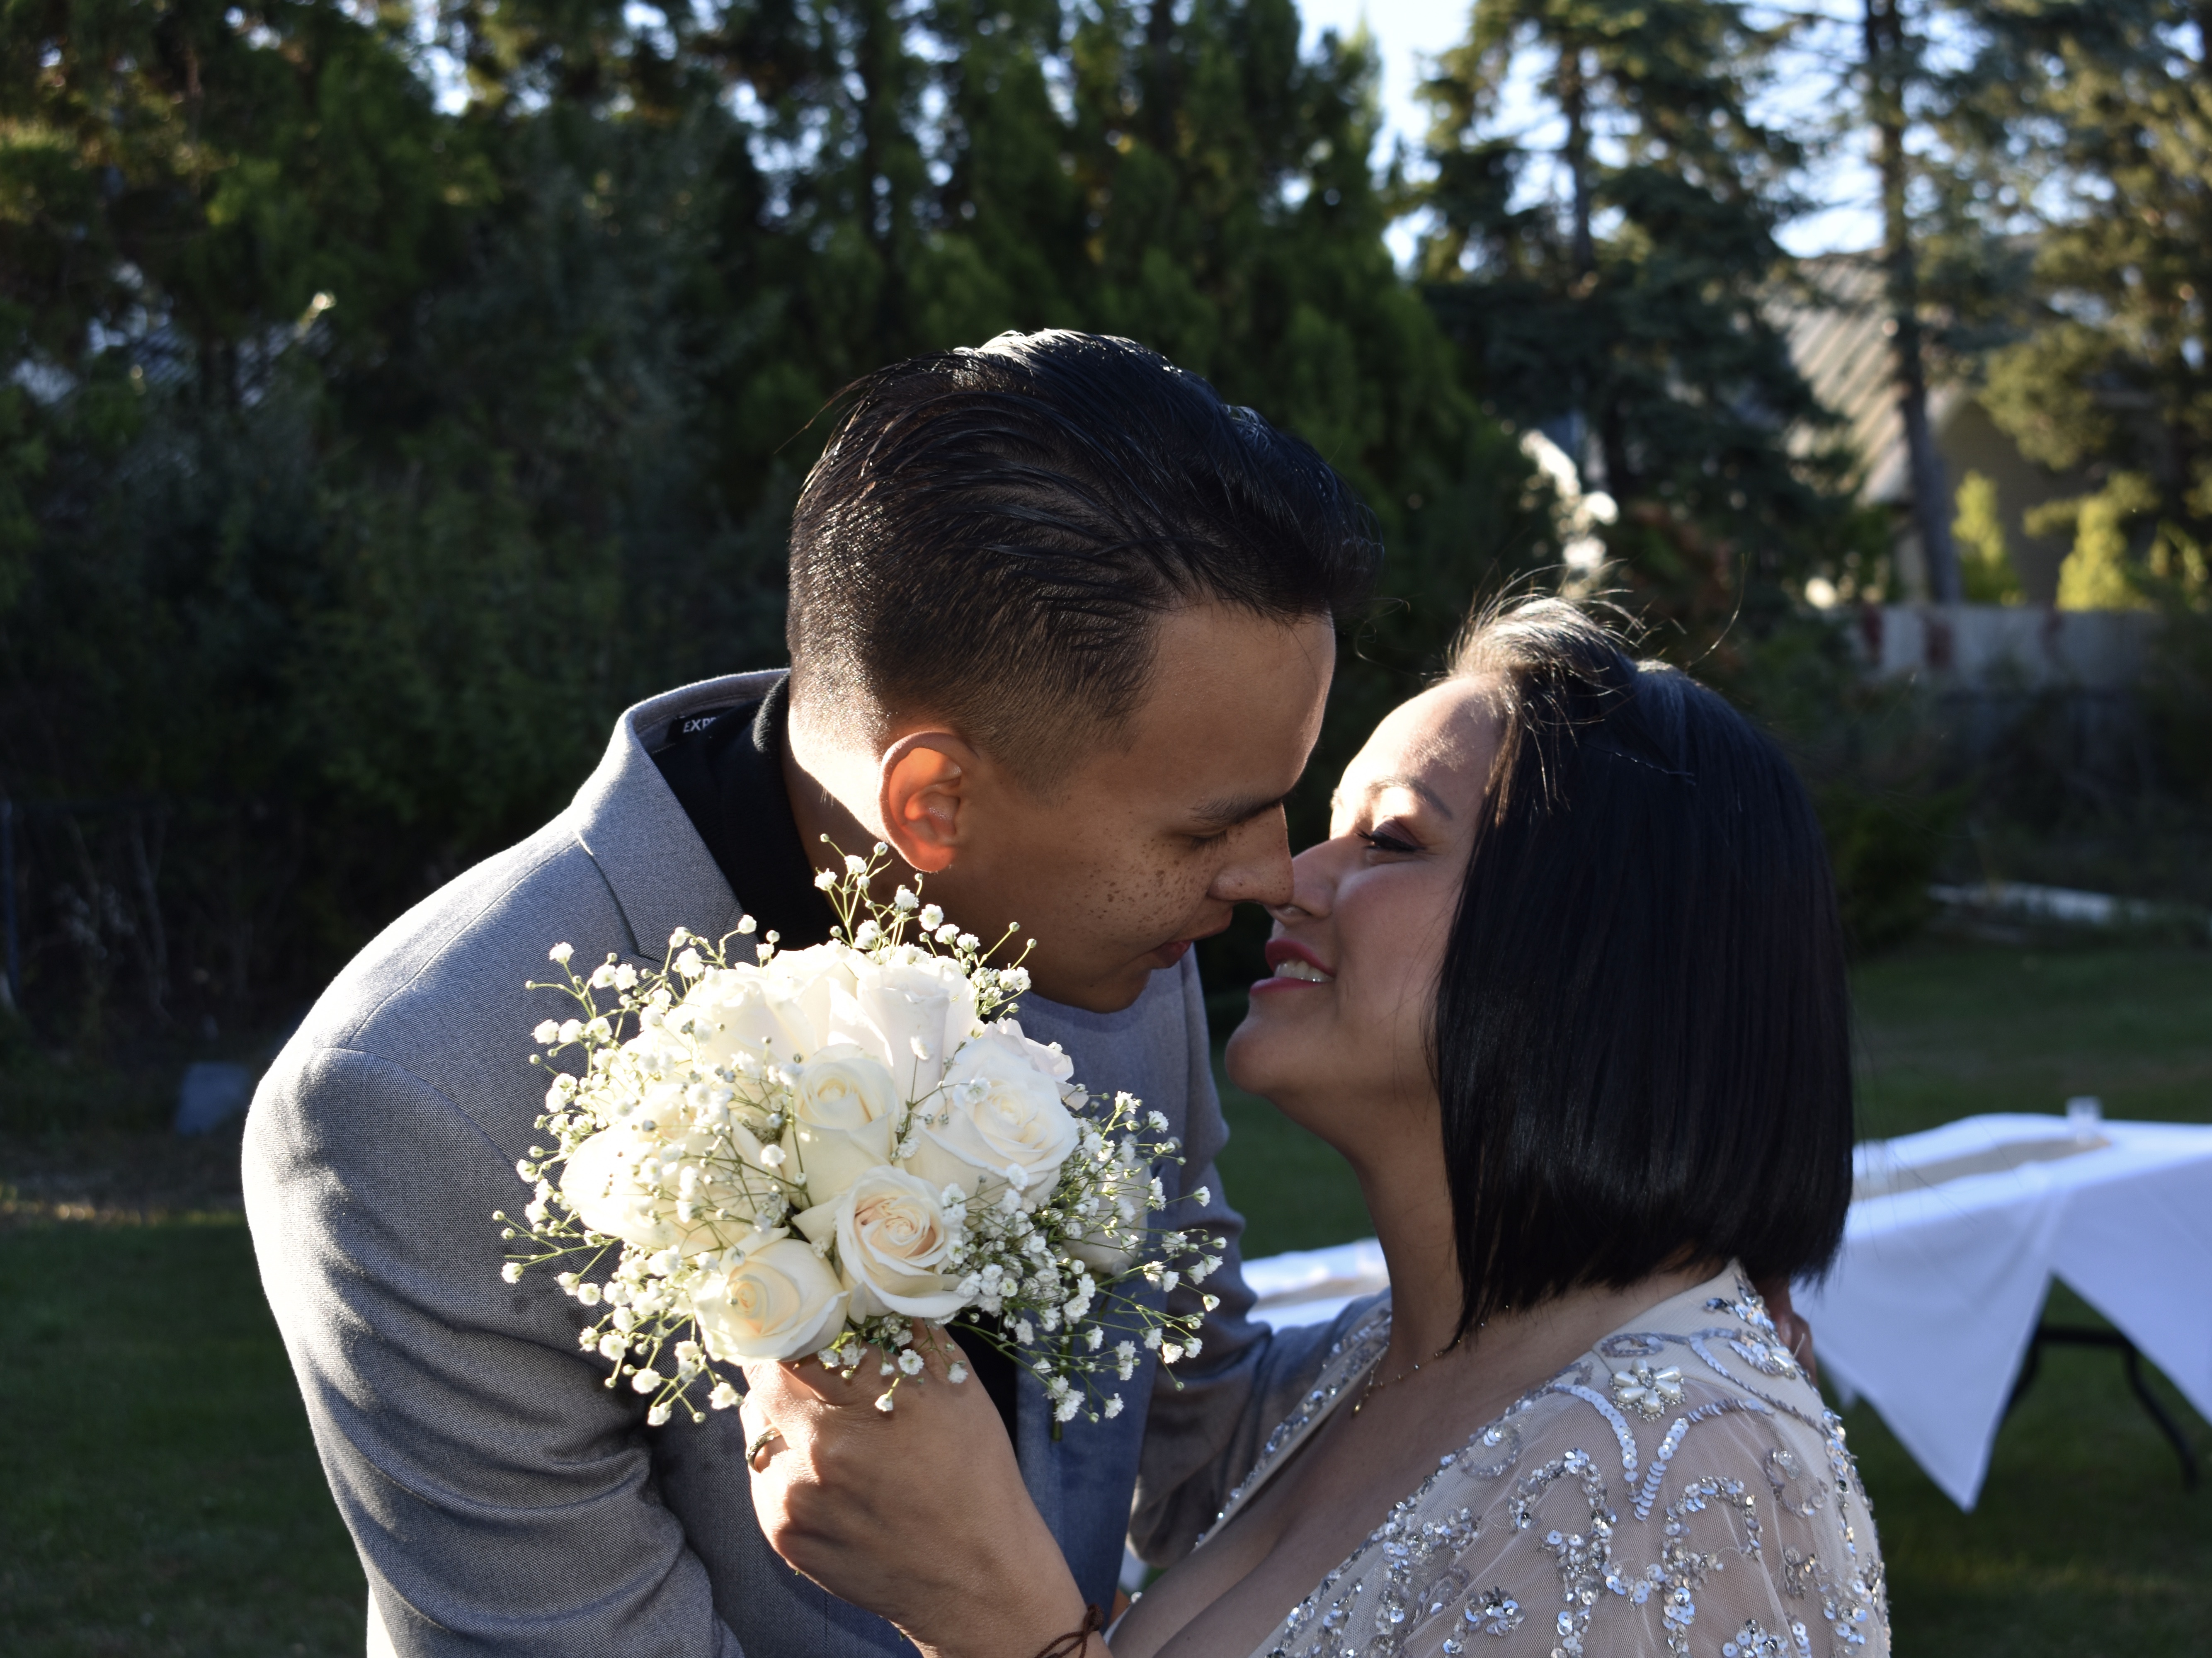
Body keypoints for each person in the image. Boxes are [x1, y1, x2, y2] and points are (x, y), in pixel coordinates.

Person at [243, 330, 1381, 1656]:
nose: (1270, 874)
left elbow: (1209, 1432)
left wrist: (1537, 1322)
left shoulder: (1130, 945)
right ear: (933, 801)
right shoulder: (419, 1098)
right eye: (1208, 828)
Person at [737, 598, 1887, 1658]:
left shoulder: (1683, 1467)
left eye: (1391, 840)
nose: (1285, 879)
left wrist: (989, 1611)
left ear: (1596, 953)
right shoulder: (1379, 1364)